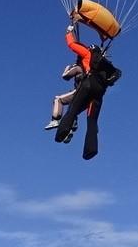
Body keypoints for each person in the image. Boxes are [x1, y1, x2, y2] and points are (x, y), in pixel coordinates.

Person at [54, 22, 122, 160]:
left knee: (73, 109)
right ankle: (90, 150)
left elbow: (72, 44)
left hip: (88, 85)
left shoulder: (87, 53)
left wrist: (69, 31)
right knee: (92, 121)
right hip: (99, 93)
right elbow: (117, 74)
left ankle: (62, 133)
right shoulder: (106, 64)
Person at [44, 59, 85, 132]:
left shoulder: (78, 68)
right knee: (72, 106)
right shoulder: (90, 70)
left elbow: (65, 76)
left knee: (58, 99)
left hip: (78, 91)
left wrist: (68, 68)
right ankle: (73, 123)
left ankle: (55, 120)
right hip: (88, 95)